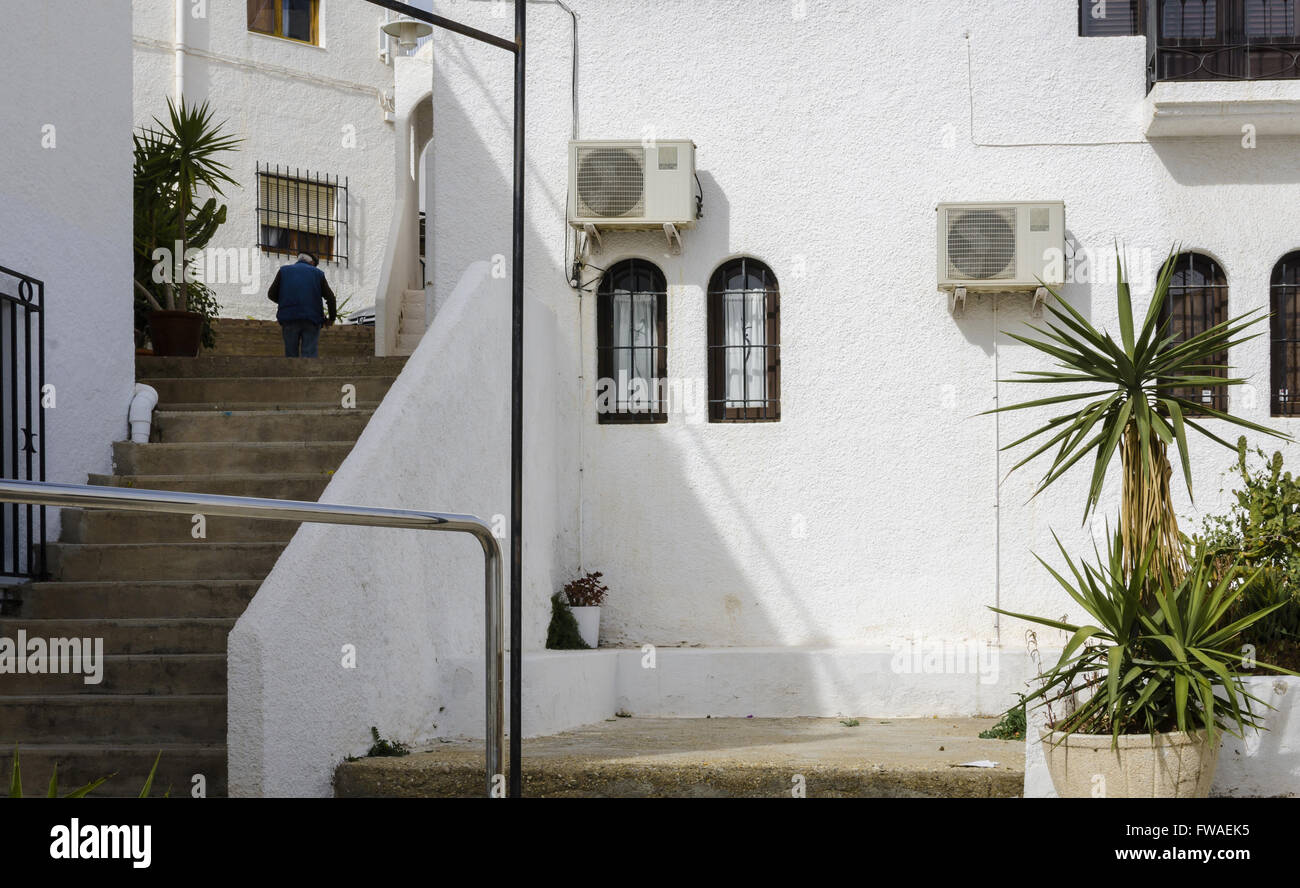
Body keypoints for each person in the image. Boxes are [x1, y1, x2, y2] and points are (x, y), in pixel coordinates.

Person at [267, 252, 337, 358]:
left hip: (289, 317)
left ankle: (292, 373)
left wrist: (286, 303)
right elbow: (331, 298)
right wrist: (331, 319)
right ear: (312, 262)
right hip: (312, 319)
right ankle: (308, 373)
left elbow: (271, 294)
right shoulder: (318, 274)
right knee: (309, 355)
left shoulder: (283, 271)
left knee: (291, 355)